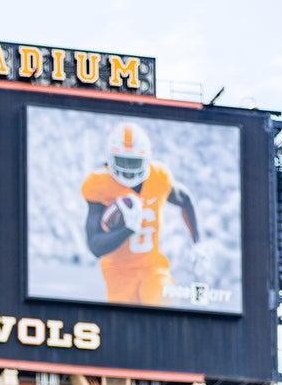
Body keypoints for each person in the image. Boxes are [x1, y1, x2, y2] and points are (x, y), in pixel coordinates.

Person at [82, 120, 202, 306]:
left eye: (134, 162)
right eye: (123, 161)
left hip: (152, 267)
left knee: (164, 307)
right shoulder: (99, 184)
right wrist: (128, 229)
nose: (128, 170)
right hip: (118, 273)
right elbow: (95, 246)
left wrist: (197, 243)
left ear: (147, 159)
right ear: (110, 159)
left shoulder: (158, 177)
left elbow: (185, 199)